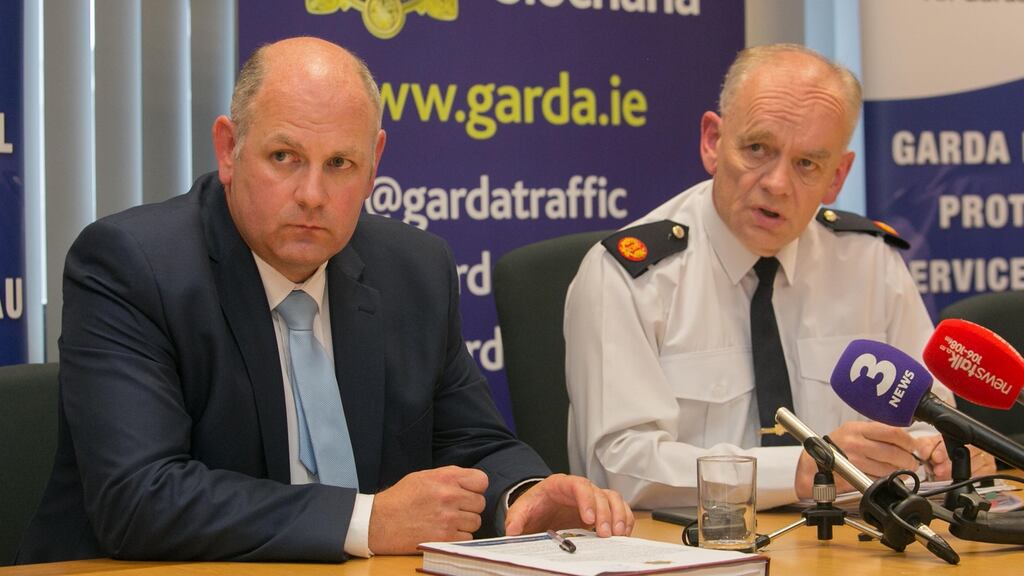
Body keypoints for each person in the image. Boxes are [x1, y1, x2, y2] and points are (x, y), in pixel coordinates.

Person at [18, 36, 632, 564]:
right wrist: (368, 522)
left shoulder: (414, 270)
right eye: (284, 157)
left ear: (374, 167)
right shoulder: (132, 265)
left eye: (340, 163)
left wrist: (523, 493)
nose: (312, 194)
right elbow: (138, 498)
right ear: (229, 149)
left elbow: (472, 442)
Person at [563, 44, 995, 511]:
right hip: (696, 554)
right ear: (712, 141)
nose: (777, 184)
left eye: (807, 164)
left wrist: (941, 455)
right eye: (757, 149)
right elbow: (619, 467)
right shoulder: (629, 277)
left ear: (837, 177)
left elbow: (928, 424)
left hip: (853, 551)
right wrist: (801, 471)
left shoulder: (870, 264)